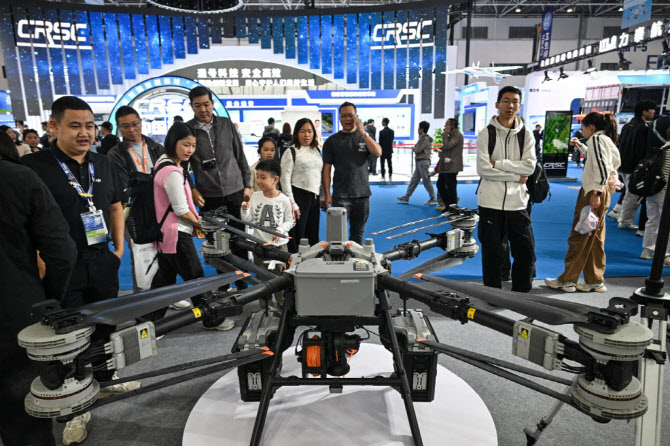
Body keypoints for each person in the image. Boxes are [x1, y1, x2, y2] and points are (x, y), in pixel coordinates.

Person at [21, 96, 136, 444]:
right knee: (67, 338)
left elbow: (115, 206)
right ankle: (74, 408)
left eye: (89, 126)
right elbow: (25, 219)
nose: (84, 133)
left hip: (102, 259)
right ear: (53, 127)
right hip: (61, 266)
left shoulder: (103, 163)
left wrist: (118, 249)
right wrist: (39, 258)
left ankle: (104, 380)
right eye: (75, 126)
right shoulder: (35, 166)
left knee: (105, 324)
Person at [0, 131, 77, 446]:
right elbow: (62, 253)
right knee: (24, 423)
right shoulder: (19, 178)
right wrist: (48, 299)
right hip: (14, 313)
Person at [148, 122, 222, 323]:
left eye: (193, 145)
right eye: (186, 145)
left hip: (166, 232)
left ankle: (148, 322)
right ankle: (211, 320)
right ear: (173, 142)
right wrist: (202, 224)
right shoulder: (172, 172)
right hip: (176, 233)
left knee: (164, 281)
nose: (190, 150)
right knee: (196, 279)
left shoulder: (164, 162)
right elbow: (181, 210)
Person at [545, 112, 621, 293]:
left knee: (580, 234)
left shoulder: (596, 139)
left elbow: (601, 166)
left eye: (583, 129)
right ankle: (595, 280)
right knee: (595, 237)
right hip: (601, 191)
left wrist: (596, 192)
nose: (582, 132)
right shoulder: (605, 140)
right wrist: (581, 146)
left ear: (591, 127)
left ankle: (567, 280)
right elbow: (610, 161)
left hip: (593, 192)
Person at [186, 86, 251, 293]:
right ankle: (223, 284)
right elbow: (181, 165)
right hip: (208, 195)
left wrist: (247, 184)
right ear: (191, 106)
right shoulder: (188, 130)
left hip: (235, 190)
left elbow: (240, 155)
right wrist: (192, 189)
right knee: (216, 242)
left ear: (212, 104)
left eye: (206, 104)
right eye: (198, 105)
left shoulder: (226, 124)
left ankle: (242, 282)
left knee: (238, 239)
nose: (203, 109)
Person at [476, 86, 536, 293]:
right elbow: (483, 169)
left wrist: (498, 164)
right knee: (492, 253)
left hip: (517, 203)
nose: (510, 105)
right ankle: (492, 294)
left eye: (515, 101)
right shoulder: (486, 134)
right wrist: (514, 176)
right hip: (489, 202)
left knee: (525, 252)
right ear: (497, 104)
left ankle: (521, 293)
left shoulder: (526, 135)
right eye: (506, 100)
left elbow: (529, 167)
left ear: (519, 105)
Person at [108, 106, 168, 295]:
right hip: (134, 211)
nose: (132, 130)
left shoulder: (156, 147)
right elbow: (124, 185)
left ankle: (166, 295)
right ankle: (142, 299)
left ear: (141, 122)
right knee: (141, 254)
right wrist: (151, 181)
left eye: (135, 124)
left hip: (160, 208)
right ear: (118, 128)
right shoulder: (115, 154)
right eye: (125, 126)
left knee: (165, 252)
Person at [322, 102, 382, 244]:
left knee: (357, 235)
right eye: (343, 116)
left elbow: (378, 152)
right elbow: (326, 169)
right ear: (339, 118)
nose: (347, 119)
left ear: (357, 117)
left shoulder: (365, 137)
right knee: (337, 238)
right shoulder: (332, 141)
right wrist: (327, 194)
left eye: (350, 115)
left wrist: (363, 132)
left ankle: (354, 258)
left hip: (362, 195)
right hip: (340, 196)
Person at [242, 159, 295, 309]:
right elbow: (249, 220)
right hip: (259, 247)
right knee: (262, 282)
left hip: (278, 248)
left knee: (279, 280)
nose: (258, 181)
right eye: (257, 176)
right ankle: (266, 309)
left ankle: (283, 308)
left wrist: (280, 230)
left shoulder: (284, 200)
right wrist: (245, 210)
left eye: (263, 177)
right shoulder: (255, 196)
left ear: (275, 179)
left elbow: (291, 221)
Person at [281, 117, 323, 252]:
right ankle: (295, 262)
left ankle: (312, 262)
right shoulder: (291, 151)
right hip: (298, 197)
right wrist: (293, 204)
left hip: (314, 198)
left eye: (310, 131)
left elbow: (319, 175)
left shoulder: (316, 150)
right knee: (299, 236)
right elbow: (285, 179)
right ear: (296, 133)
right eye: (303, 131)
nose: (306, 135)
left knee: (313, 234)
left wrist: (322, 196)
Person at [617, 100, 656, 230]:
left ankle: (623, 217)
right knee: (632, 195)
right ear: (644, 112)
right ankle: (625, 221)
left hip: (623, 164)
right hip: (634, 166)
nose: (654, 112)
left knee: (629, 194)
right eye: (652, 109)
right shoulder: (643, 128)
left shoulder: (628, 125)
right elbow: (641, 150)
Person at [640, 121, 670, 264]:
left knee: (652, 220)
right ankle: (666, 254)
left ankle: (647, 250)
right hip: (665, 192)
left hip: (652, 190)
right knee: (667, 224)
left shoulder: (661, 149)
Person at [397, 121, 438, 206]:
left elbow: (417, 150)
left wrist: (415, 149)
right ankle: (406, 197)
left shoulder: (425, 139)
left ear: (422, 129)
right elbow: (416, 148)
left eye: (419, 128)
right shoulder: (422, 138)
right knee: (414, 180)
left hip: (423, 162)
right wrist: (415, 148)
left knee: (426, 180)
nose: (417, 129)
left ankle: (433, 198)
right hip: (420, 161)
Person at [436, 118, 463, 211]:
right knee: (440, 184)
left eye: (447, 124)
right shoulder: (450, 136)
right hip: (445, 166)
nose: (445, 126)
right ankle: (448, 205)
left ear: (452, 126)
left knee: (451, 187)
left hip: (452, 166)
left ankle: (452, 207)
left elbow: (447, 146)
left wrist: (444, 134)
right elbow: (446, 147)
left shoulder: (457, 135)